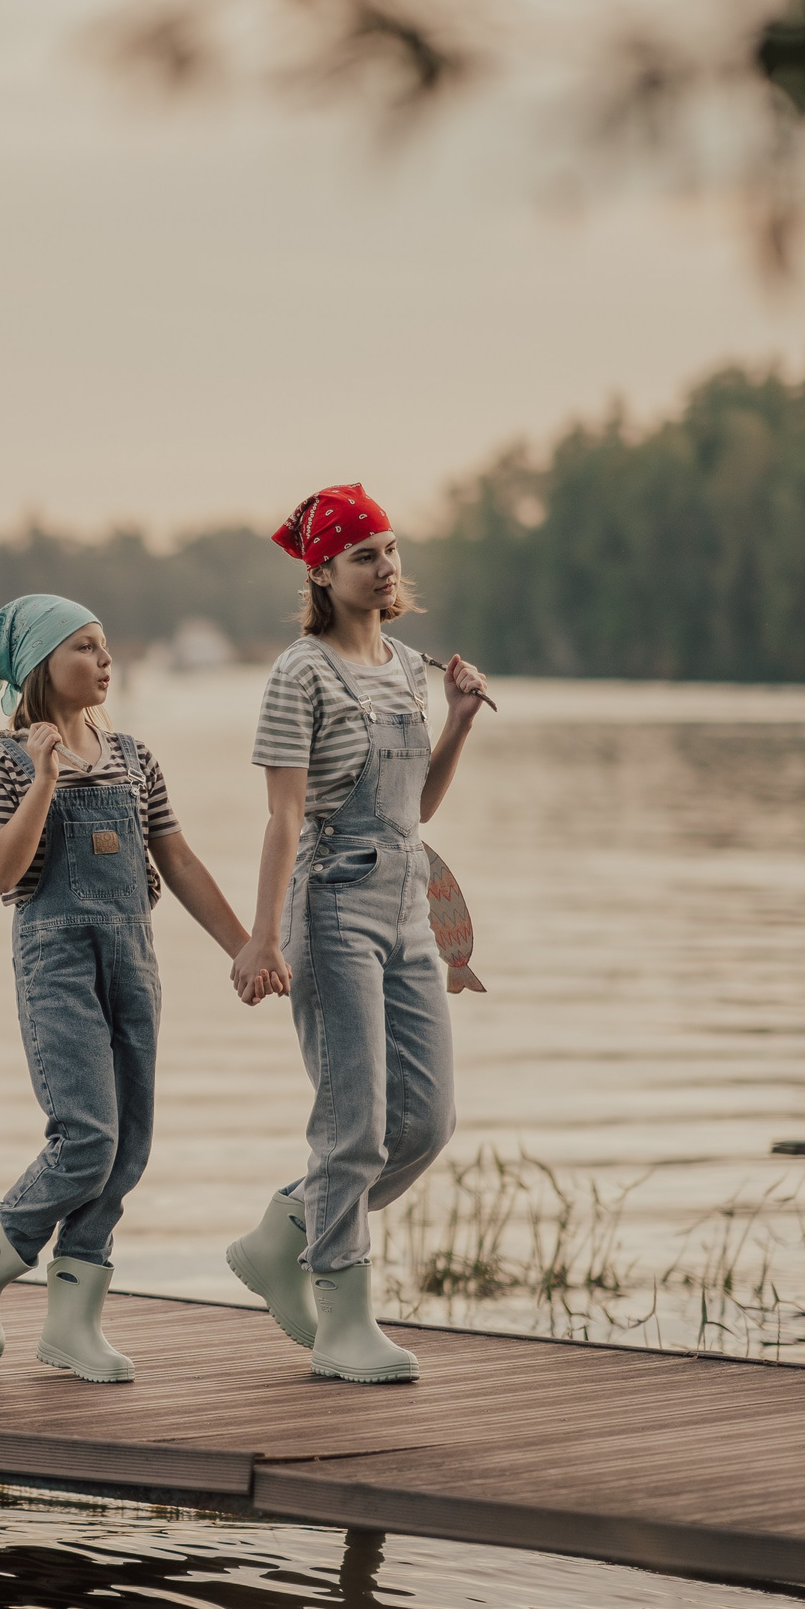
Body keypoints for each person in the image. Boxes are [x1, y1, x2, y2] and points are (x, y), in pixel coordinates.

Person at [0, 594, 272, 1383]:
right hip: (56, 962)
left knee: (129, 1148)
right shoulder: (4, 761)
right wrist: (44, 779)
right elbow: (0, 872)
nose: (104, 659)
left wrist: (245, 947)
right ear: (43, 667)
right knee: (86, 1135)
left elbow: (179, 862)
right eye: (84, 647)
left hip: (132, 960)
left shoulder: (135, 756)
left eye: (105, 645)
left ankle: (72, 1325)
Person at [223, 485, 491, 1383]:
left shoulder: (411, 667)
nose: (386, 568)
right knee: (354, 1127)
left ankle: (284, 1232)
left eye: (390, 549)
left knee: (426, 1120)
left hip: (409, 906)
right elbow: (283, 818)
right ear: (324, 573)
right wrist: (263, 939)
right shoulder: (300, 674)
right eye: (365, 556)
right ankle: (341, 1321)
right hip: (332, 906)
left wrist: (456, 723)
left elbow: (417, 806)